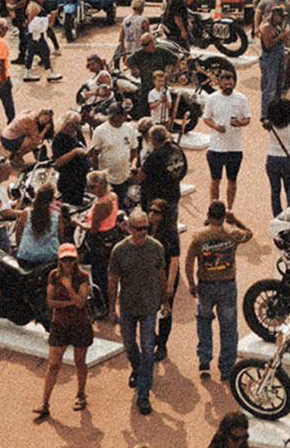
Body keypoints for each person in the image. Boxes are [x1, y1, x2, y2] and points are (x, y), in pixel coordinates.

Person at [108, 207, 168, 415]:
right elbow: (113, 280)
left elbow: (162, 274)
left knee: (149, 345)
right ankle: (138, 368)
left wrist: (165, 302)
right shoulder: (119, 250)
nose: (143, 232)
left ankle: (144, 394)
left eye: (146, 228)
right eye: (139, 228)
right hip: (128, 306)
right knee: (129, 343)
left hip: (150, 306)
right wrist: (111, 308)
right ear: (130, 229)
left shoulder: (156, 247)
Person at [185, 200, 252, 383]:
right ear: (223, 216)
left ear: (208, 215)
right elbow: (249, 234)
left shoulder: (198, 237)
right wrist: (235, 218)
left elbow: (189, 261)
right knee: (229, 327)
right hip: (227, 285)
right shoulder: (232, 234)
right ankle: (226, 368)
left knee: (204, 321)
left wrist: (191, 283)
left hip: (206, 285)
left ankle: (205, 358)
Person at [33, 243, 93, 419]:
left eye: (71, 260)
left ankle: (80, 395)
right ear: (59, 261)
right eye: (65, 260)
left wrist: (68, 287)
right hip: (60, 324)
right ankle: (44, 403)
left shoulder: (83, 277)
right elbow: (50, 302)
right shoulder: (53, 275)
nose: (68, 263)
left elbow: (81, 303)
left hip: (80, 324)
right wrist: (69, 303)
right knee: (53, 364)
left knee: (79, 362)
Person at [202, 68, 251, 209]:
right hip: (216, 147)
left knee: (232, 181)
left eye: (231, 84)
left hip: (235, 147)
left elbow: (248, 119)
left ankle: (229, 209)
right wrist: (216, 126)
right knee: (215, 181)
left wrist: (239, 123)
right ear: (220, 84)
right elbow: (206, 118)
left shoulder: (241, 98)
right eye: (226, 84)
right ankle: (213, 209)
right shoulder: (212, 98)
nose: (229, 87)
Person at [147, 197, 180, 362]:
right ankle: (153, 337)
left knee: (165, 312)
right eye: (150, 211)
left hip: (166, 275)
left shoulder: (170, 234)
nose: (152, 215)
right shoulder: (145, 230)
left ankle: (162, 345)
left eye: (156, 212)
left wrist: (169, 285)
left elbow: (175, 259)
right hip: (148, 277)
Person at [90, 103, 137, 209]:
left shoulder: (129, 129)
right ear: (112, 116)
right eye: (120, 116)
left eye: (123, 115)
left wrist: (129, 163)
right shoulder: (100, 131)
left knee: (120, 204)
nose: (123, 118)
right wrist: (97, 173)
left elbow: (134, 148)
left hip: (123, 175)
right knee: (107, 206)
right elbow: (94, 153)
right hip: (107, 178)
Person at [262, 97, 290, 217]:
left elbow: (264, 123)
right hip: (287, 158)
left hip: (272, 157)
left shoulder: (270, 125)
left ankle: (277, 217)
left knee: (275, 190)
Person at [14, 183, 63, 267]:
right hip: (50, 258)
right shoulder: (57, 216)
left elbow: (18, 233)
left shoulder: (26, 213)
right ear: (52, 199)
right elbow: (61, 237)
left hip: (26, 258)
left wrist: (20, 247)